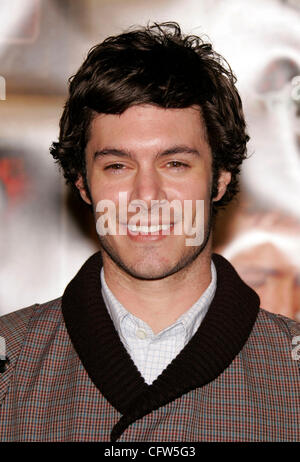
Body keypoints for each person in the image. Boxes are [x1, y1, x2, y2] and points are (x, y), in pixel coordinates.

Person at [0, 22, 299, 442]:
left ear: (221, 178)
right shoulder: (8, 364)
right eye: (117, 166)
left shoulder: (294, 375)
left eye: (175, 163)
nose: (146, 195)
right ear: (83, 183)